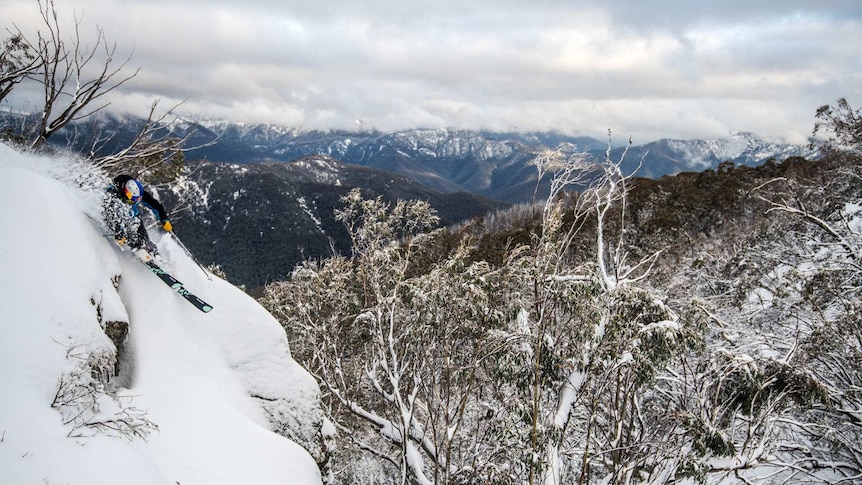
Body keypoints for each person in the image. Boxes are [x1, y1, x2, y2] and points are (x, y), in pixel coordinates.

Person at [104, 174, 173, 255]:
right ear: (126, 194)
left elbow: (156, 205)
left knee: (143, 237)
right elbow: (111, 212)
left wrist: (164, 219)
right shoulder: (113, 193)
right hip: (116, 218)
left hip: (133, 218)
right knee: (130, 235)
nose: (133, 203)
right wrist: (119, 231)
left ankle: (153, 253)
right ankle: (136, 248)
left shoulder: (137, 192)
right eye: (131, 202)